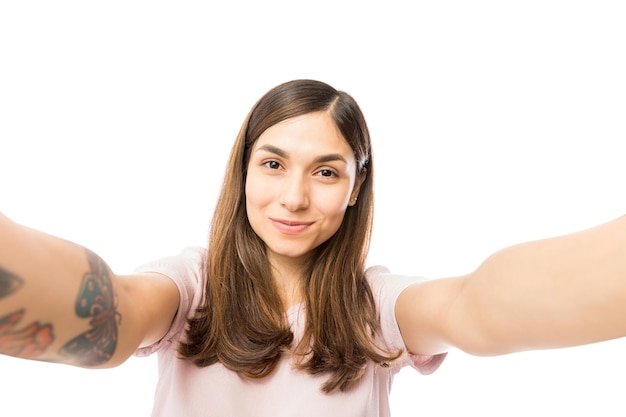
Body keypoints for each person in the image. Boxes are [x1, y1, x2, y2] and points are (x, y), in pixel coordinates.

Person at [0, 79, 625, 417]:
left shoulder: (377, 306)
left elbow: (477, 306)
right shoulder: (192, 284)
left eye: (326, 172)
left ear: (355, 190)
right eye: (273, 164)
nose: (293, 198)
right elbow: (113, 311)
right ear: (243, 171)